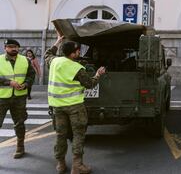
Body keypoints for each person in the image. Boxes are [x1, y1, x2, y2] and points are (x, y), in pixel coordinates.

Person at [45, 32, 106, 174]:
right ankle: (77, 166)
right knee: (78, 134)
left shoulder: (54, 62)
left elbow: (47, 54)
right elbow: (90, 84)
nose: (79, 53)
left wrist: (57, 41)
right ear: (72, 54)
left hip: (57, 106)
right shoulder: (77, 68)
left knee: (61, 135)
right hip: (75, 107)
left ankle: (60, 164)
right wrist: (98, 74)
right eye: (78, 51)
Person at [0, 39, 35, 159]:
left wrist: (25, 84)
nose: (13, 49)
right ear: (5, 48)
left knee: (19, 123)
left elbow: (31, 75)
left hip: (19, 97)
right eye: (10, 47)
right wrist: (8, 82)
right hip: (2, 97)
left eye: (15, 47)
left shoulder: (25, 60)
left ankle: (20, 147)